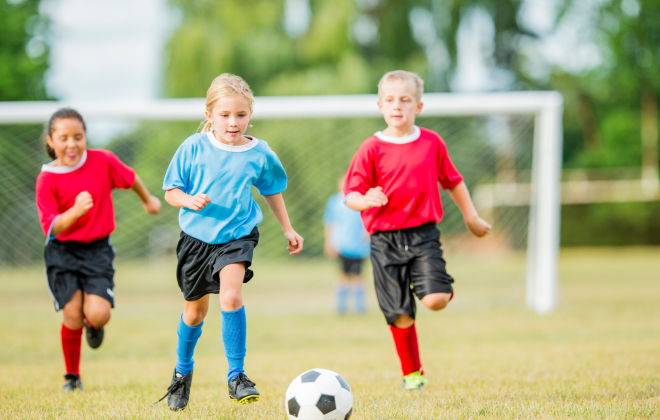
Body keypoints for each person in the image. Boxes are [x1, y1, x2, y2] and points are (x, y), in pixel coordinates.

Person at [157, 73, 304, 411]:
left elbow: (271, 190)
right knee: (194, 313)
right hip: (196, 240)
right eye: (224, 115)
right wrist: (188, 200)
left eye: (240, 114)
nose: (233, 122)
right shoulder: (193, 147)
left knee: (231, 294)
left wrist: (288, 228)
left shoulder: (260, 152)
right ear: (209, 115)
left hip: (237, 236)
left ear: (250, 114)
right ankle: (182, 371)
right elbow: (170, 192)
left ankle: (236, 376)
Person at [344, 70, 491, 391]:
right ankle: (413, 375)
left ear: (418, 106)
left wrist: (471, 218)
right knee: (399, 313)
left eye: (405, 100)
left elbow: (453, 181)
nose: (397, 106)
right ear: (380, 105)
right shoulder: (371, 148)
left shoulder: (432, 142)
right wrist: (365, 199)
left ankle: (438, 285)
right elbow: (351, 195)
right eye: (391, 100)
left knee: (436, 300)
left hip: (423, 235)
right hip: (384, 240)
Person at [35, 108, 162, 392]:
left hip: (97, 251)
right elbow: (51, 226)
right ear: (51, 141)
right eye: (63, 137)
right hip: (63, 253)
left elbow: (130, 178)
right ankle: (72, 377)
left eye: (78, 137)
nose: (71, 144)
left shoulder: (102, 161)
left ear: (85, 137)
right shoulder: (47, 179)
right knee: (71, 313)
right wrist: (76, 211)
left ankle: (94, 323)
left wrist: (148, 199)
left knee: (98, 314)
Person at [323, 175, 370, 314]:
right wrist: (329, 242)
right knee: (342, 275)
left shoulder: (360, 200)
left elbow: (368, 218)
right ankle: (341, 308)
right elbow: (329, 223)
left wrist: (367, 233)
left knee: (358, 275)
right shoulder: (334, 201)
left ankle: (360, 308)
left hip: (359, 246)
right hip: (342, 245)